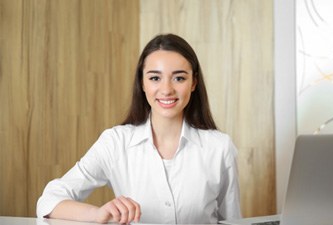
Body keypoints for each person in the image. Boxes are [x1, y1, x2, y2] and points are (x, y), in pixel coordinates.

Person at [36, 33, 242, 224]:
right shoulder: (115, 142)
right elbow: (49, 201)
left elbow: (232, 221)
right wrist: (98, 214)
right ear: (142, 83)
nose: (166, 89)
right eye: (155, 78)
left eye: (179, 78)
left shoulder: (220, 147)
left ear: (194, 83)